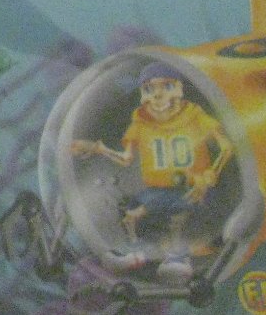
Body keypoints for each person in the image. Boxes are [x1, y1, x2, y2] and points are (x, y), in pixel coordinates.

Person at [72, 65, 234, 248]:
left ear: (178, 90)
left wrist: (210, 175)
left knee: (155, 205)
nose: (157, 95)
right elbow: (126, 159)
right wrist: (99, 149)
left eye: (167, 87)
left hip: (195, 190)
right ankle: (159, 242)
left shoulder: (195, 115)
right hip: (160, 191)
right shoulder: (140, 123)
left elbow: (227, 147)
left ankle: (184, 240)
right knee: (134, 205)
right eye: (149, 89)